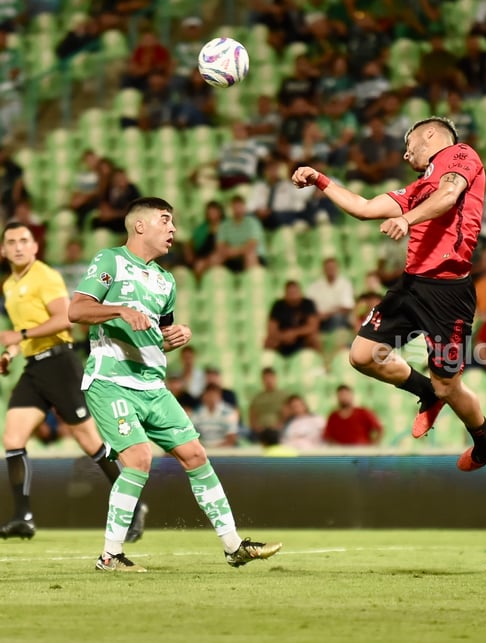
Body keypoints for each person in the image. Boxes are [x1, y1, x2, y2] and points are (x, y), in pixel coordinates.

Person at [67, 197, 281, 572]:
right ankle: (110, 555)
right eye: (165, 220)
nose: (173, 229)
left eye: (173, 222)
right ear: (140, 226)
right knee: (138, 459)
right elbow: (77, 310)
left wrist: (175, 335)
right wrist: (119, 308)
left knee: (197, 455)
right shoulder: (110, 260)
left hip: (153, 385)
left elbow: (156, 334)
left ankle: (234, 546)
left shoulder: (166, 280)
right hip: (111, 381)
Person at [292, 116, 486, 471]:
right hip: (411, 286)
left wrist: (407, 220)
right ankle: (425, 393)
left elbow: (449, 196)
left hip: (448, 293)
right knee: (361, 355)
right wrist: (319, 179)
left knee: (450, 386)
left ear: (431, 135)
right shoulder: (419, 188)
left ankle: (484, 439)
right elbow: (364, 208)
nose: (406, 155)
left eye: (409, 145)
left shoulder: (461, 155)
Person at [0, 222, 147, 542]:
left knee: (90, 442)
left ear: (35, 246)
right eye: (11, 242)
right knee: (12, 437)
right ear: (3, 250)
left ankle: (134, 506)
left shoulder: (45, 276)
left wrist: (20, 336)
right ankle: (23, 516)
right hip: (34, 366)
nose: (18, 247)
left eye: (24, 240)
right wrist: (10, 353)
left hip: (60, 363)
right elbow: (20, 332)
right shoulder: (10, 285)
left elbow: (63, 318)